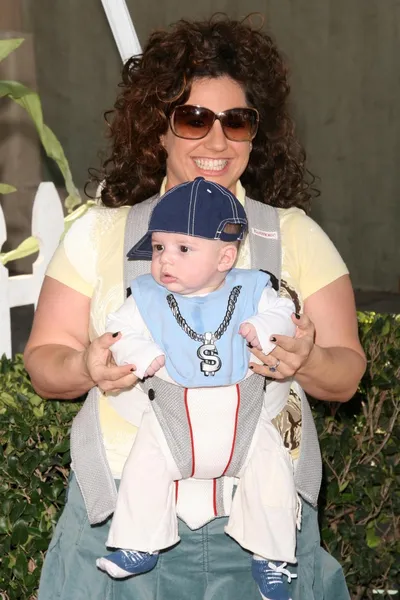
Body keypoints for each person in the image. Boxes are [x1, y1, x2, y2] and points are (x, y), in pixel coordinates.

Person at [23, 15, 366, 600]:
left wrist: (303, 360)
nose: (216, 141)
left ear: (256, 135)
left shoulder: (294, 237)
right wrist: (86, 366)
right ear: (157, 130)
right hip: (118, 522)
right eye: (193, 119)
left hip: (265, 531)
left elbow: (347, 372)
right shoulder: (97, 234)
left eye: (236, 122)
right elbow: (44, 360)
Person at [96, 177, 298, 600]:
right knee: (145, 467)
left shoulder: (253, 290)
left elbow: (285, 313)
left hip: (241, 419)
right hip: (173, 420)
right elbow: (116, 331)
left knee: (271, 472)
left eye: (183, 249)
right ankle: (137, 542)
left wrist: (264, 326)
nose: (165, 260)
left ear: (226, 255)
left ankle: (272, 557)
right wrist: (140, 349)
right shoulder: (147, 296)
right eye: (158, 248)